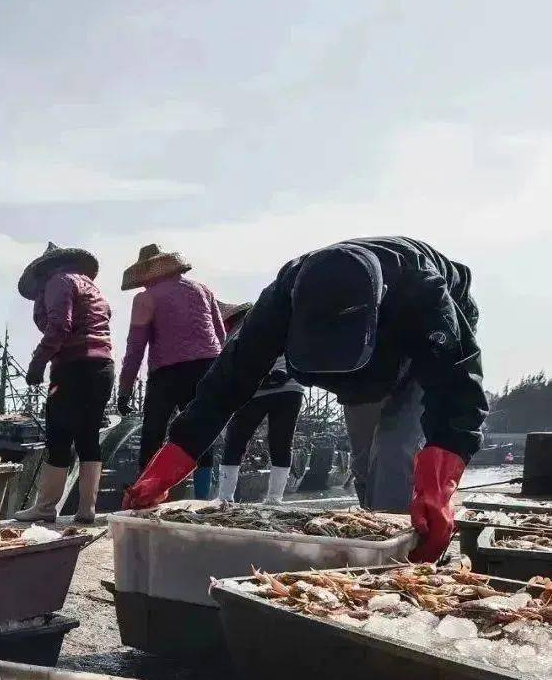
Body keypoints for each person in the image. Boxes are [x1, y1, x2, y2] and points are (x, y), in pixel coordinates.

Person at [124, 237, 486, 562]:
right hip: (367, 364)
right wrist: (165, 468)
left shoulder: (423, 294)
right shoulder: (279, 302)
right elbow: (224, 385)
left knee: (394, 450)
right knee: (363, 459)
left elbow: (458, 388)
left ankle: (399, 559)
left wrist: (438, 486)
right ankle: (371, 537)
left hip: (418, 344)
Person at [14, 242, 114, 525]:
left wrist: (37, 363)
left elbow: (59, 326)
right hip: (102, 367)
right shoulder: (93, 289)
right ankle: (87, 509)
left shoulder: (59, 281)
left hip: (73, 367)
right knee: (88, 435)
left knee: (59, 435)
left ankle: (45, 507)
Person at [117, 245, 227, 495]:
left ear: (146, 276)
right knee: (200, 431)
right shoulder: (203, 290)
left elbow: (135, 347)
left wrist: (125, 389)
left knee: (153, 432)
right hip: (208, 366)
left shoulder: (145, 298)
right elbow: (221, 335)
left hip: (167, 371)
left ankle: (146, 494)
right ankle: (202, 498)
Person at [213, 303, 305, 503]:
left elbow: (232, 370)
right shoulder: (277, 320)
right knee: (281, 441)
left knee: (235, 440)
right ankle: (274, 500)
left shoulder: (233, 334)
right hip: (290, 386)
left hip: (256, 390)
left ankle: (225, 498)